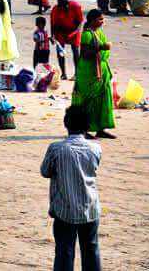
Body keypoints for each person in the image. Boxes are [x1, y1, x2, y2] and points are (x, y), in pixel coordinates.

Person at [41, 105, 103, 271]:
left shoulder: (56, 148)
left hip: (65, 209)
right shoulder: (96, 148)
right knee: (91, 249)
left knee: (64, 251)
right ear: (88, 127)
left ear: (66, 123)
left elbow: (45, 171)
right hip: (90, 207)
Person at [71, 10, 116, 139]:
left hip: (102, 71)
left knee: (103, 99)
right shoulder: (87, 35)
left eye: (103, 19)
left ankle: (101, 128)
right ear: (92, 20)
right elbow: (84, 54)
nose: (102, 22)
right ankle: (84, 130)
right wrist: (102, 47)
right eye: (100, 19)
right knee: (88, 101)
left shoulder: (100, 33)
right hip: (89, 72)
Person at [50, 0, 85, 79]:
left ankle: (77, 73)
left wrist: (74, 33)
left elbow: (80, 22)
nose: (62, 9)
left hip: (74, 29)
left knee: (75, 51)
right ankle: (63, 74)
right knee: (60, 52)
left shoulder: (76, 6)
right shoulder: (55, 9)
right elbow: (53, 24)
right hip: (61, 31)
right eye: (60, 7)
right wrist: (53, 36)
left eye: (64, 7)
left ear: (67, 5)